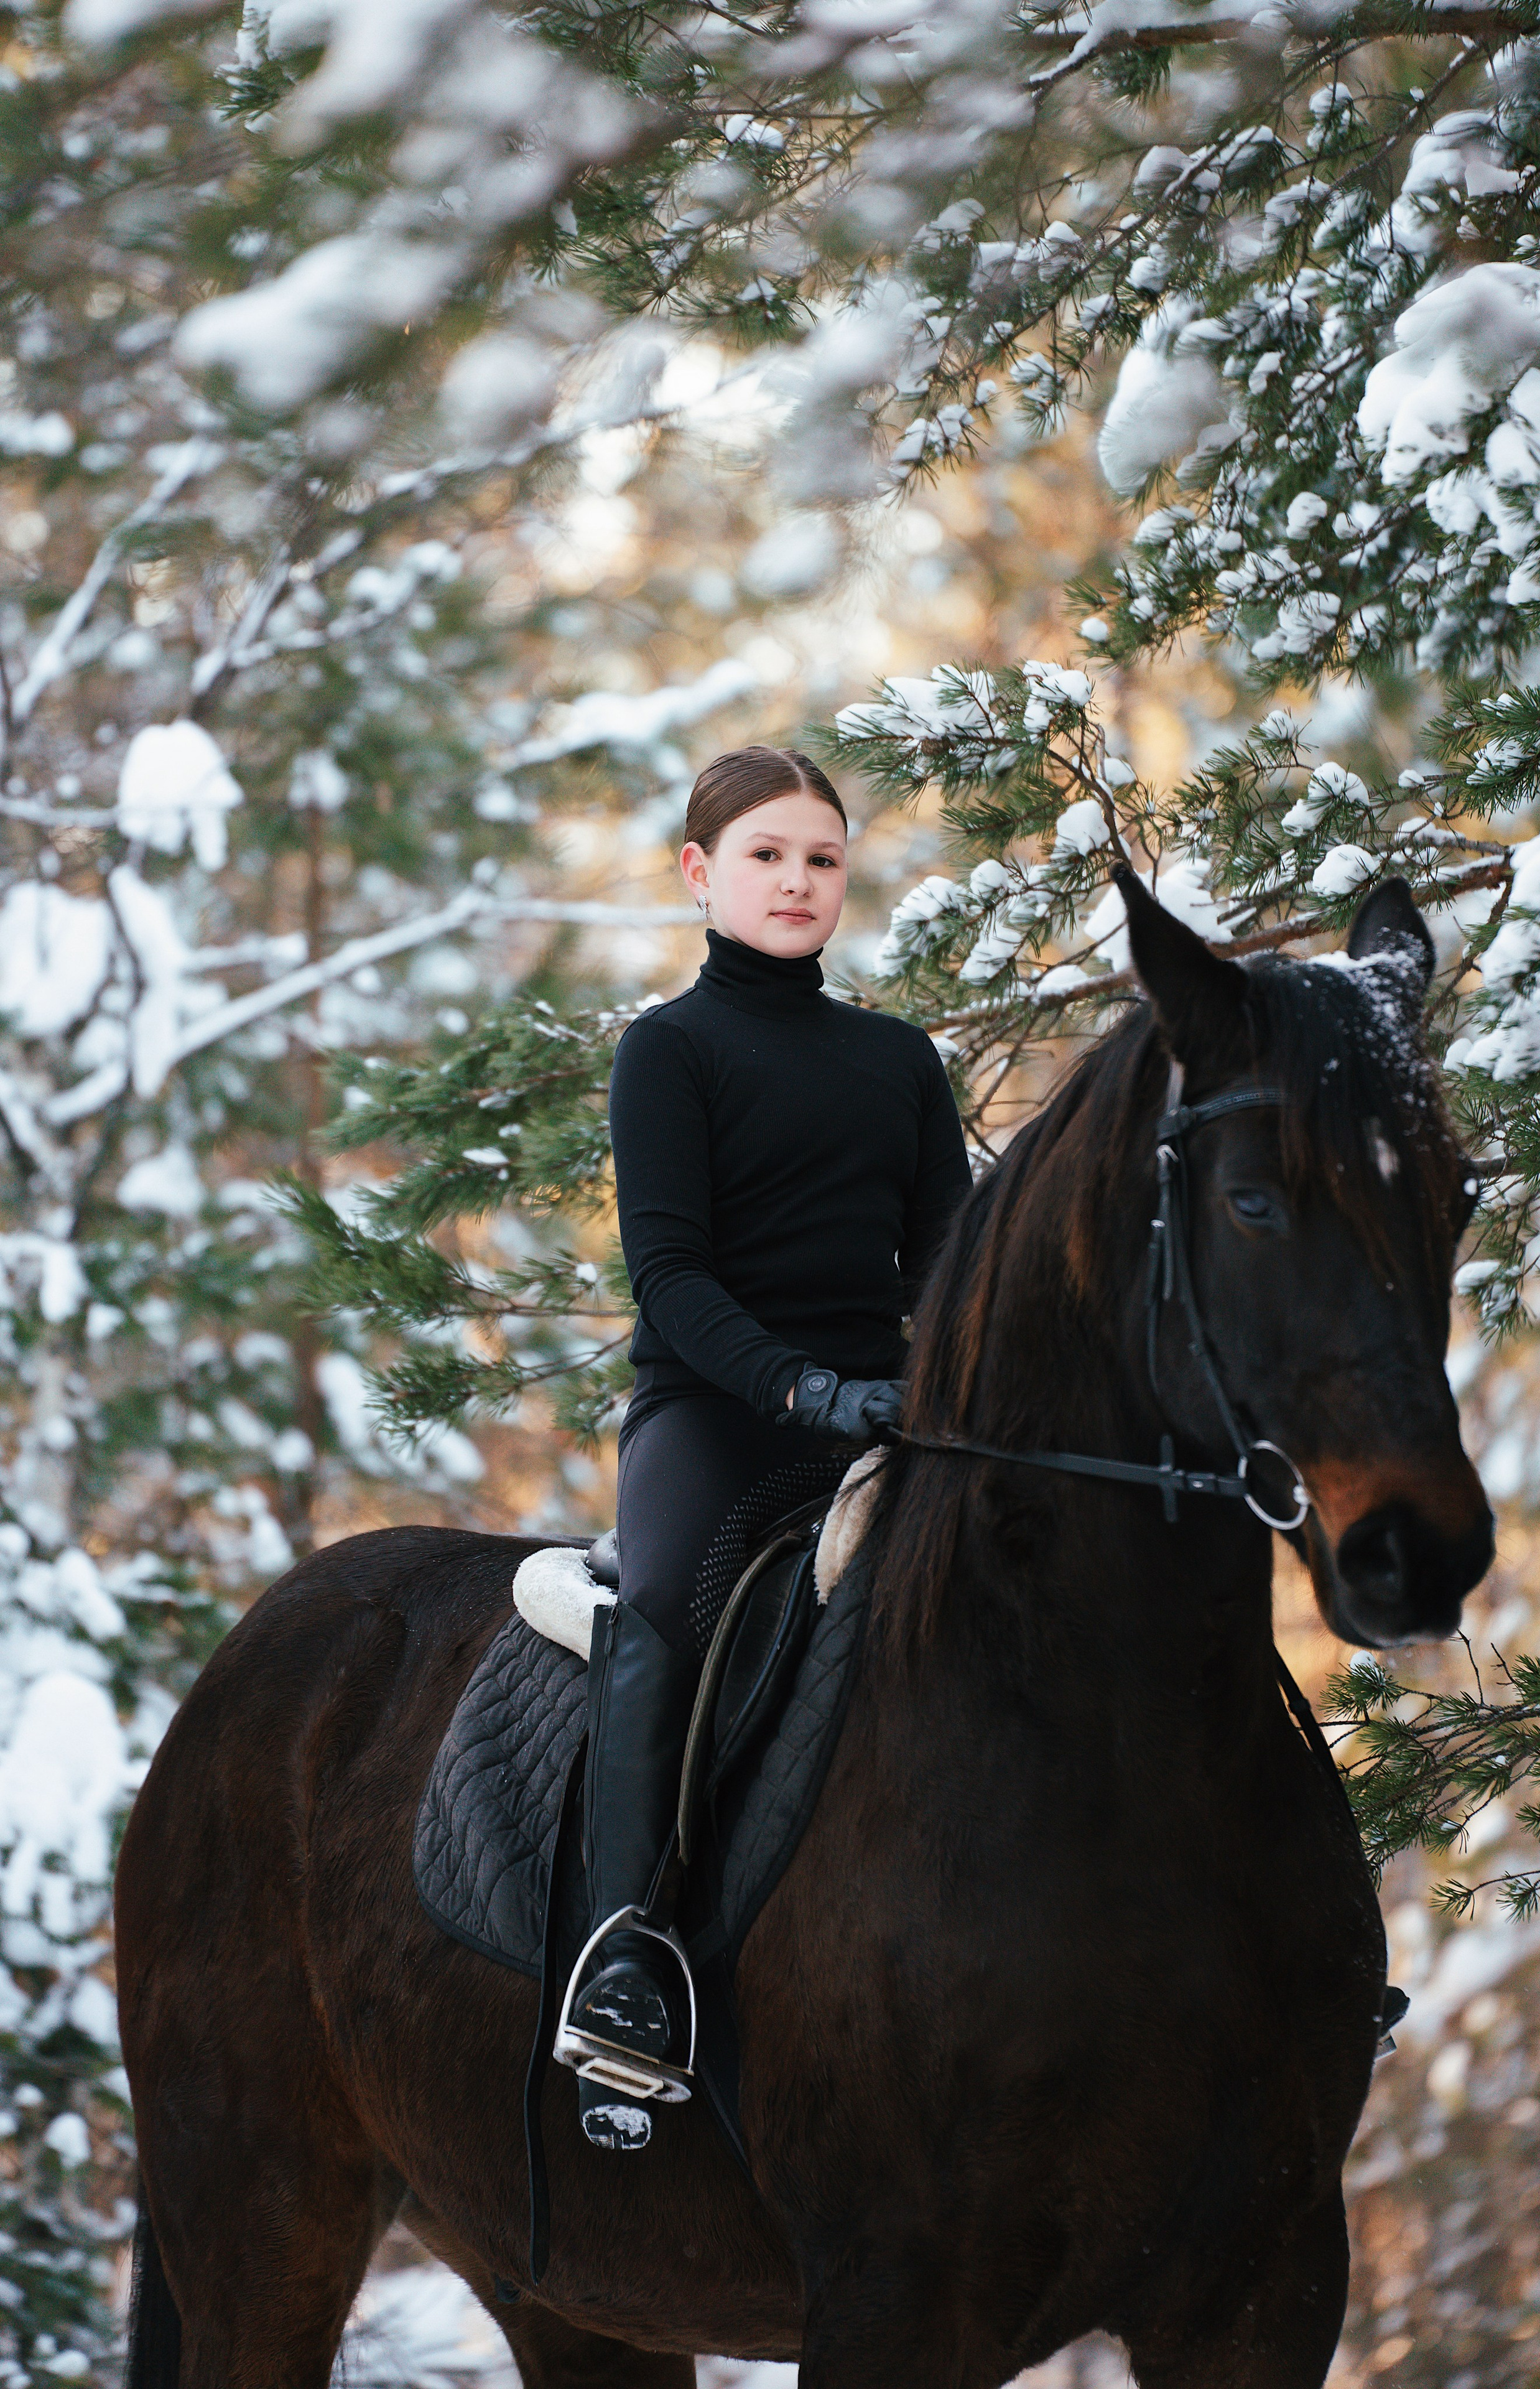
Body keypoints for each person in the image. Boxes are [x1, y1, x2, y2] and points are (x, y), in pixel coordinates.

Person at [557, 744, 972, 2148]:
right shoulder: (668, 1052)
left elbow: (946, 1270)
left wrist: (934, 1385)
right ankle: (623, 1962)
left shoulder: (897, 1059)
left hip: (888, 1419)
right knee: (664, 1608)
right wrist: (803, 1390)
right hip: (718, 1422)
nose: (796, 881)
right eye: (765, 856)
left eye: (820, 859)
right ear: (698, 874)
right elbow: (670, 1280)